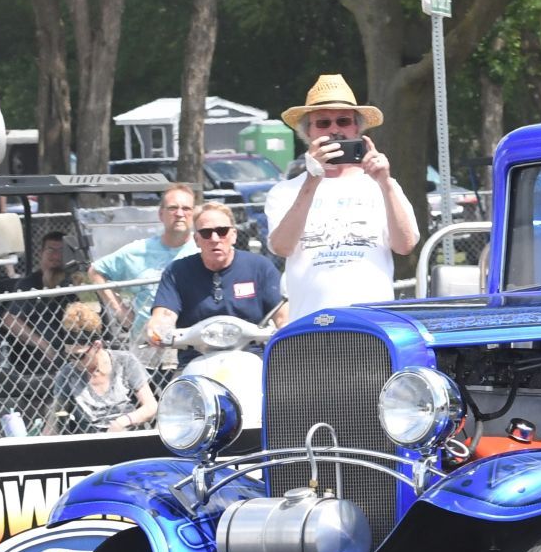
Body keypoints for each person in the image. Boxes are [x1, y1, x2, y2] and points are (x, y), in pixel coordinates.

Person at [264, 73, 420, 317]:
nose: (335, 129)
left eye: (343, 121)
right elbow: (282, 247)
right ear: (309, 133)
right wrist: (312, 180)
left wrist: (385, 182)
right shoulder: (284, 191)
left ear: (357, 128)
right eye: (323, 123)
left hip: (373, 323)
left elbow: (405, 245)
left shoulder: (382, 184)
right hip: (310, 323)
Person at [147, 202, 287, 362]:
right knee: (176, 387)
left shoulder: (260, 267)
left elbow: (283, 315)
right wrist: (157, 329)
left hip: (252, 360)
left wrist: (285, 327)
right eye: (206, 233)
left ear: (233, 235)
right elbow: (164, 315)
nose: (214, 239)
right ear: (196, 239)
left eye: (222, 231)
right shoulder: (177, 271)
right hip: (195, 362)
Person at [88, 182, 199, 355]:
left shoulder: (204, 249)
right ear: (161, 214)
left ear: (193, 214)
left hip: (192, 347)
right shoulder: (139, 251)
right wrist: (120, 311)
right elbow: (96, 271)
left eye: (186, 208)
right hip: (146, 350)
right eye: (172, 208)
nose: (179, 214)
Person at [42, 302, 157, 435]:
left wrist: (122, 422)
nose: (73, 361)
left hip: (128, 434)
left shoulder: (125, 362)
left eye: (79, 356)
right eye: (68, 355)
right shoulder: (67, 374)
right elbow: (55, 417)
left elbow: (151, 406)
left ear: (97, 346)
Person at [3, 230, 83, 370]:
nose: (56, 255)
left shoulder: (76, 280)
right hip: (41, 355)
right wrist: (43, 345)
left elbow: (95, 309)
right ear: (41, 253)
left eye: (61, 251)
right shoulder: (28, 283)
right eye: (50, 250)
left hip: (76, 347)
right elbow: (10, 319)